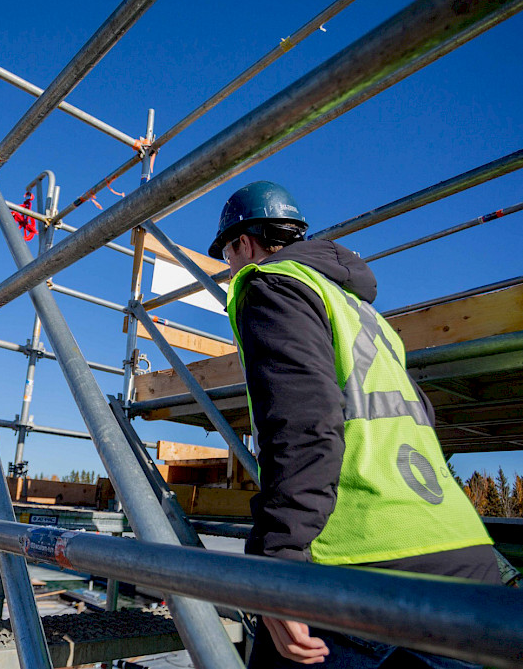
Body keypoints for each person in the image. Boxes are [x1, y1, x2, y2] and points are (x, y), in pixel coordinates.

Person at [208, 181, 500, 668]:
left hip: (358, 561)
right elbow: (419, 421)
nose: (231, 269)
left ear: (243, 242)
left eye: (228, 257)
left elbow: (303, 425)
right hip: (462, 556)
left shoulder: (270, 284)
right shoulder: (365, 313)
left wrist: (276, 558)